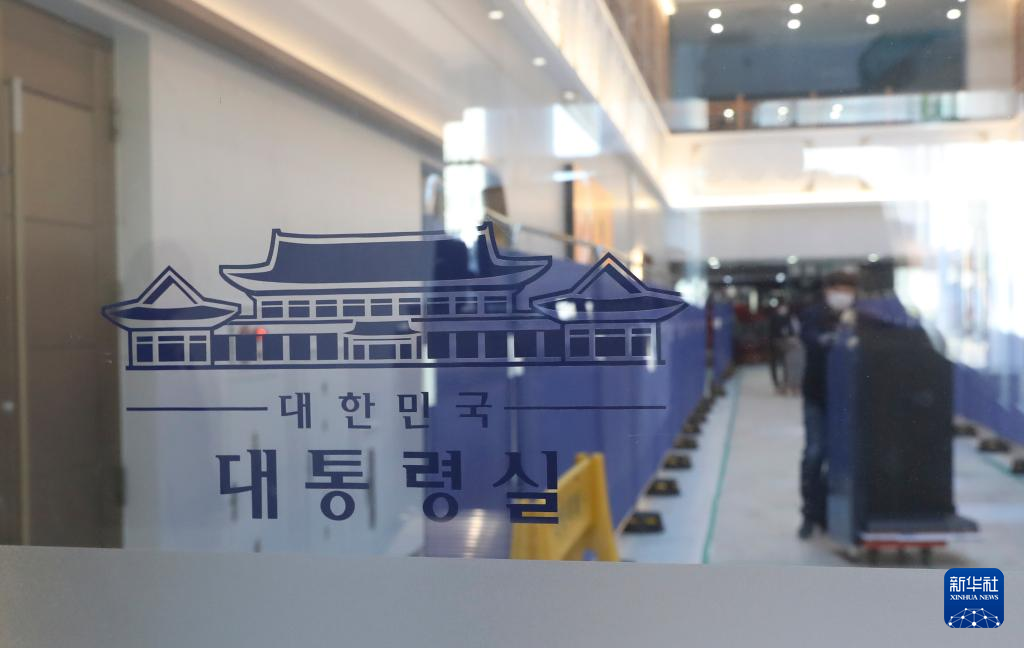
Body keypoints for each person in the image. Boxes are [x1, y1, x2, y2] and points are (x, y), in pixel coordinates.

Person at [797, 269, 858, 540]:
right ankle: (810, 514)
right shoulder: (813, 315)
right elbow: (810, 338)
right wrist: (835, 337)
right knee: (815, 453)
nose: (842, 295)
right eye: (838, 289)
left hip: (848, 400)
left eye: (847, 290)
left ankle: (840, 513)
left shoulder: (861, 315)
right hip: (818, 396)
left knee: (845, 458)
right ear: (827, 290)